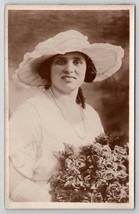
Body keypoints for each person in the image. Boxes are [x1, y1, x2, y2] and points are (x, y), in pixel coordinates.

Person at [9, 30, 124, 202]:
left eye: (77, 62)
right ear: (48, 69)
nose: (69, 69)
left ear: (87, 69)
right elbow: (8, 178)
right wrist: (57, 205)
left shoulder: (91, 114)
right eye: (60, 61)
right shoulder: (31, 111)